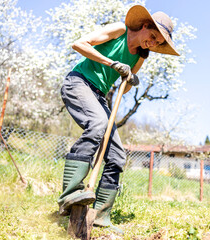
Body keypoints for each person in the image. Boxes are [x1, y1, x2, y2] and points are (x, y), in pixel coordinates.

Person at [57, 5, 179, 233]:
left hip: (99, 94)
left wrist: (130, 80)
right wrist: (112, 63)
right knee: (97, 124)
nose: (152, 44)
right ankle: (70, 194)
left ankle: (101, 217)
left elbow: (122, 88)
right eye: (152, 37)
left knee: (117, 156)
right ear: (144, 26)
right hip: (78, 82)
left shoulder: (141, 56)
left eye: (157, 43)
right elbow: (79, 44)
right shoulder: (119, 30)